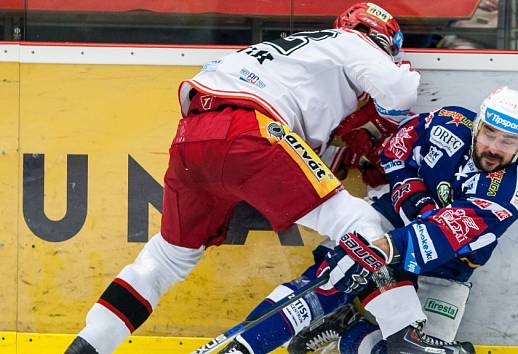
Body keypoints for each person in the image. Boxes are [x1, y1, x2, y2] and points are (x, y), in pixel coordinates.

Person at [63, 2, 420, 354]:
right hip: (252, 133)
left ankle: (88, 344)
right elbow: (400, 91)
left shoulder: (285, 52)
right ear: (381, 39)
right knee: (366, 224)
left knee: (167, 258)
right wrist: (397, 84)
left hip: (193, 138)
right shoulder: (352, 42)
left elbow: (299, 147)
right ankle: (405, 334)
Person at [215, 86, 518, 354]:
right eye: (489, 133)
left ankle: (351, 331)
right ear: (478, 124)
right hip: (387, 223)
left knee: (407, 350)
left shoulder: (507, 194)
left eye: (508, 141)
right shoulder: (447, 121)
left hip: (443, 269)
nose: (493, 147)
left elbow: (441, 234)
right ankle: (245, 347)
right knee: (330, 280)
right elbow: (396, 149)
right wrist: (415, 200)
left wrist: (385, 248)